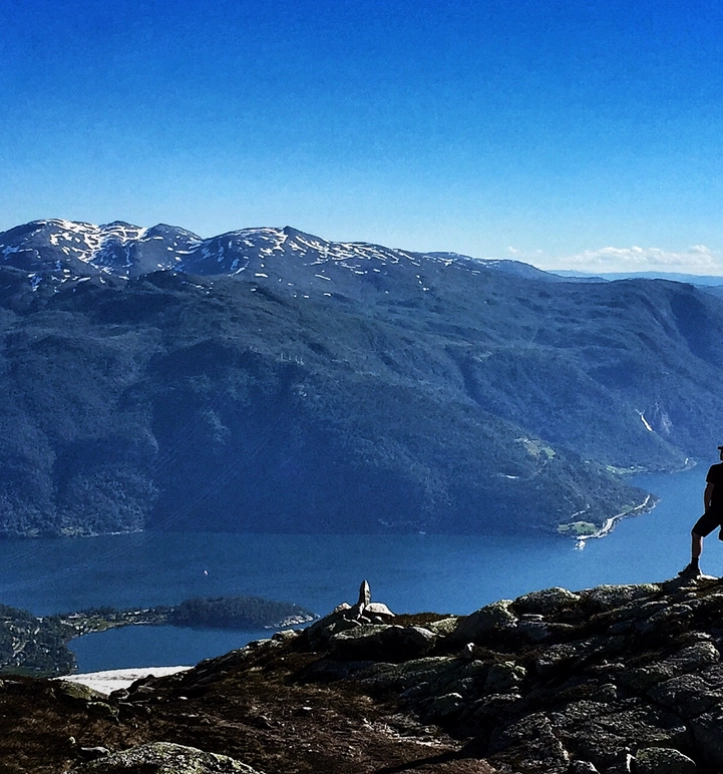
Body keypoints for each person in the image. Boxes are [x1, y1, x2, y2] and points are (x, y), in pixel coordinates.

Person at [678, 445, 723, 579]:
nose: (721, 453)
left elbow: (708, 490)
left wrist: (706, 509)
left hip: (717, 509)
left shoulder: (715, 469)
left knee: (697, 533)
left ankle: (694, 567)